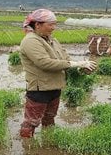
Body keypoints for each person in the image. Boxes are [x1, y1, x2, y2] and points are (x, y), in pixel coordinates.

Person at [19, 8, 96, 138]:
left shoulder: (52, 41)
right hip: (39, 89)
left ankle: (48, 143)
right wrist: (77, 63)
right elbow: (44, 63)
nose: (54, 27)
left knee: (49, 118)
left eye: (55, 24)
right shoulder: (31, 40)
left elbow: (65, 60)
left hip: (55, 87)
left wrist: (79, 68)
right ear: (38, 24)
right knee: (31, 122)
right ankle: (27, 148)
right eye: (50, 24)